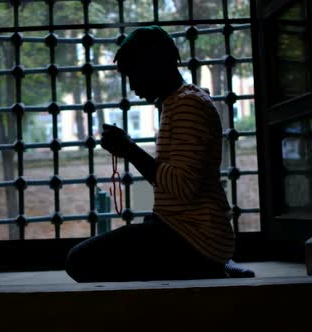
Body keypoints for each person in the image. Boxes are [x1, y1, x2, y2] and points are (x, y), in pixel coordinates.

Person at [65, 26, 247, 282]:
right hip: (185, 231)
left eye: (134, 75)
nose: (133, 86)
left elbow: (182, 186)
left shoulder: (187, 106)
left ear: (154, 66)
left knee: (79, 261)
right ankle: (213, 263)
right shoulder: (178, 102)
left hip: (192, 237)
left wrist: (130, 149)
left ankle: (206, 266)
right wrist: (129, 150)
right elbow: (173, 182)